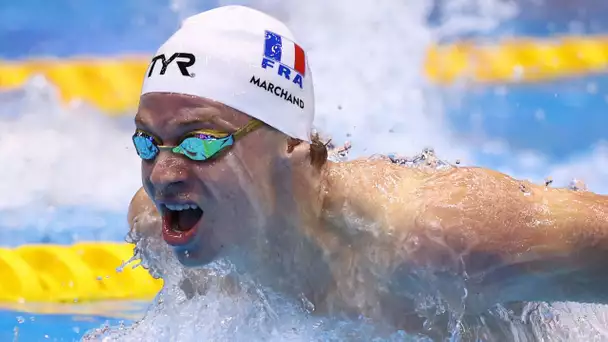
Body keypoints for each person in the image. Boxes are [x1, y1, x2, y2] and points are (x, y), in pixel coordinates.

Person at [127, 5, 608, 337]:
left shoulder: (441, 237)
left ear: (291, 143)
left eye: (200, 142)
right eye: (148, 141)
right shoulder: (159, 230)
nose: (163, 175)